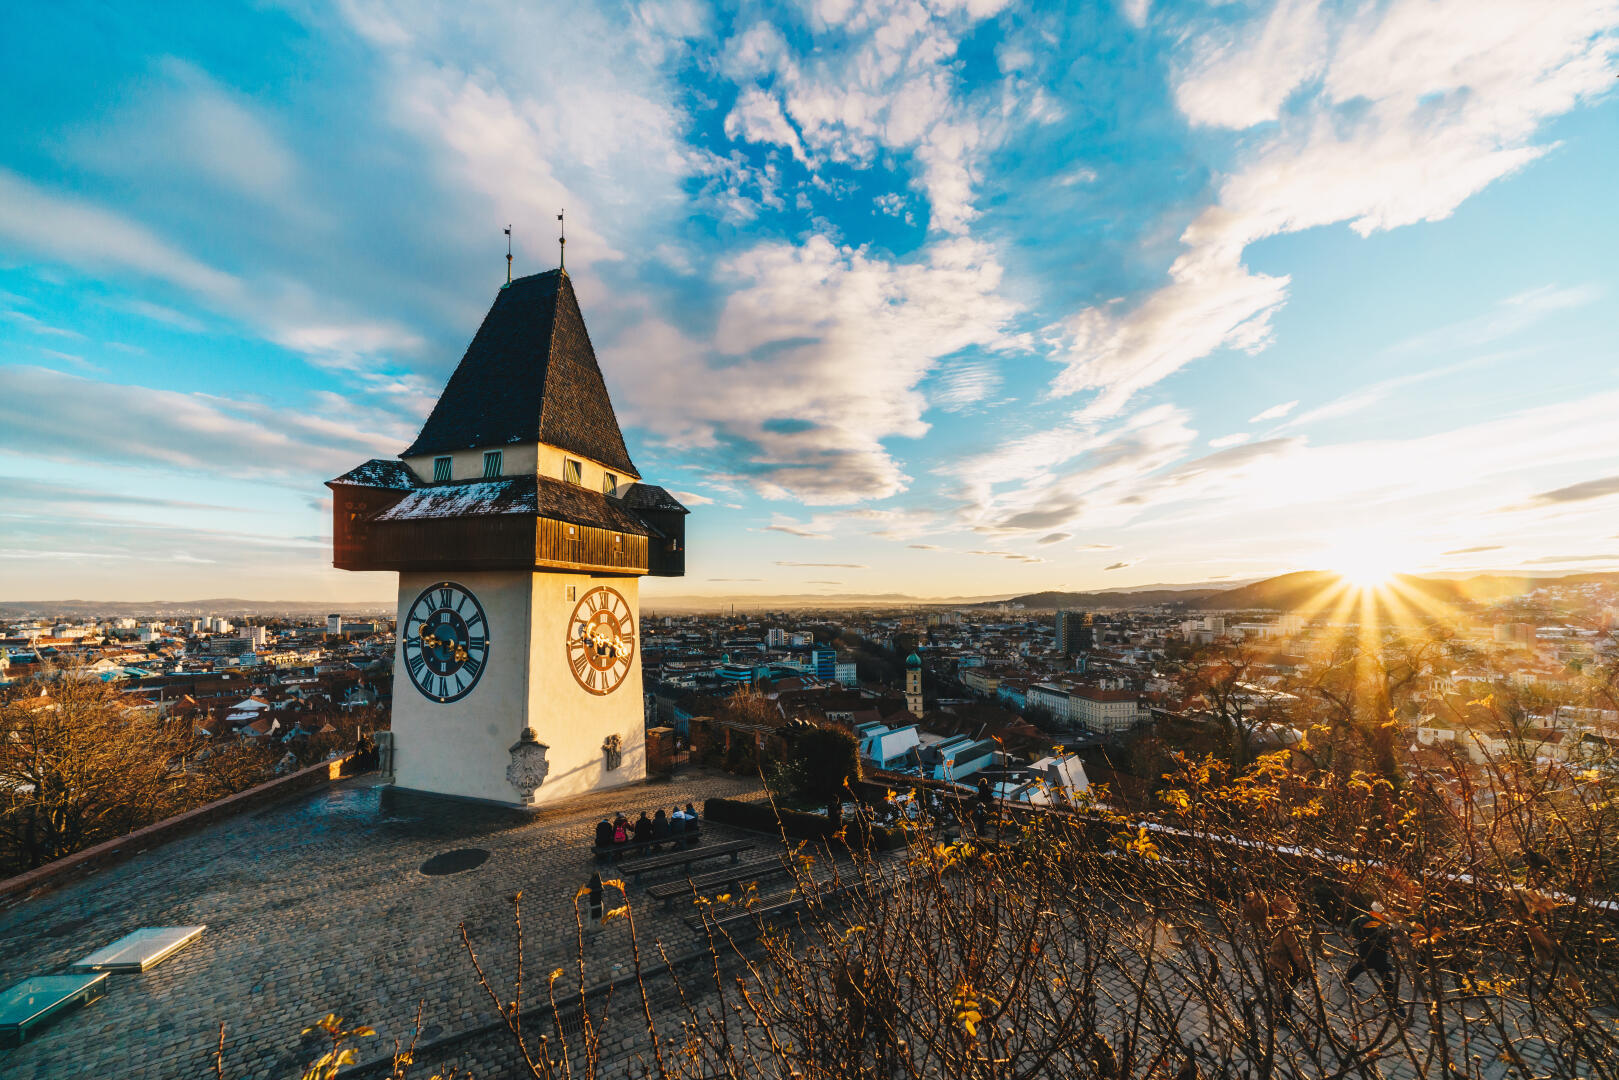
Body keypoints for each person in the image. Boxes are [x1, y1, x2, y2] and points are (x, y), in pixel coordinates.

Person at [1344, 904, 1402, 1012]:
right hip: (1370, 952)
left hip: (1376, 953)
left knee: (1363, 967)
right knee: (1380, 972)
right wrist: (1390, 938)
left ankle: (1347, 980)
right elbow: (1373, 938)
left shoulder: (1376, 920)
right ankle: (1392, 1000)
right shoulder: (1366, 921)